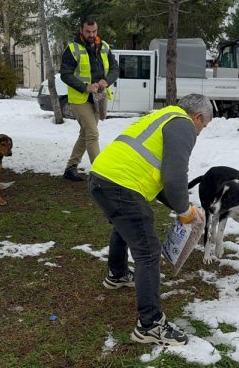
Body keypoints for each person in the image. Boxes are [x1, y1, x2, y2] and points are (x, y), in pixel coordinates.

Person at [88, 94, 212, 346]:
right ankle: (150, 325)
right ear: (198, 117)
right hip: (122, 184)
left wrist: (183, 207)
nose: (199, 133)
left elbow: (159, 177)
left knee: (124, 226)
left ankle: (118, 274)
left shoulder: (161, 115)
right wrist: (184, 210)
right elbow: (174, 176)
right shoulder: (183, 124)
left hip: (102, 176)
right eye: (203, 127)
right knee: (147, 251)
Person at [60, 15, 119, 182]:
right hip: (80, 98)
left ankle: (71, 167)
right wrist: (85, 87)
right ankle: (101, 174)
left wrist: (106, 81)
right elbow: (65, 74)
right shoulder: (72, 49)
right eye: (88, 31)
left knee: (85, 133)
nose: (92, 34)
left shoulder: (104, 46)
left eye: (94, 31)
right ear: (81, 30)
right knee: (92, 133)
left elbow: (115, 68)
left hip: (99, 96)